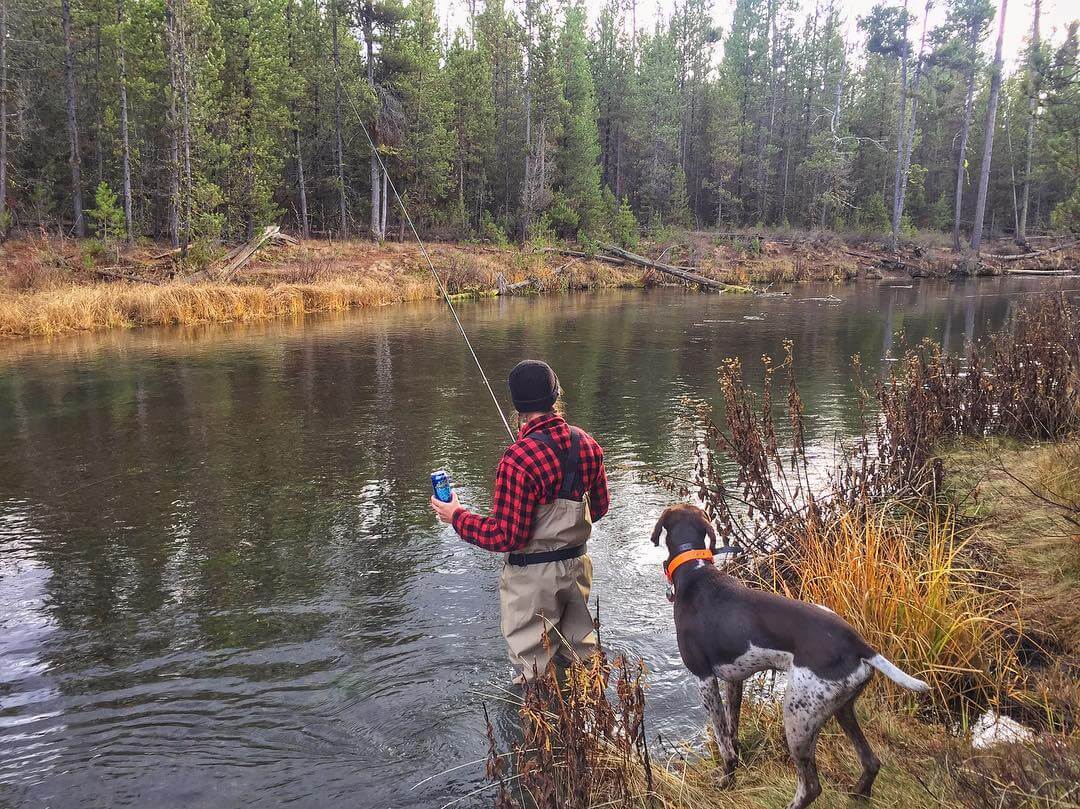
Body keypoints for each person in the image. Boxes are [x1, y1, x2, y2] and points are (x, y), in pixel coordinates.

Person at [430, 360, 609, 682]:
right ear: (556, 396)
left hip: (532, 579)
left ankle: (540, 729)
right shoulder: (587, 444)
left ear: (517, 406)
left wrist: (457, 516)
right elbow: (599, 509)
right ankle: (592, 724)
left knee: (535, 673)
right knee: (584, 663)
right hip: (578, 567)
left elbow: (507, 536)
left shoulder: (517, 459)